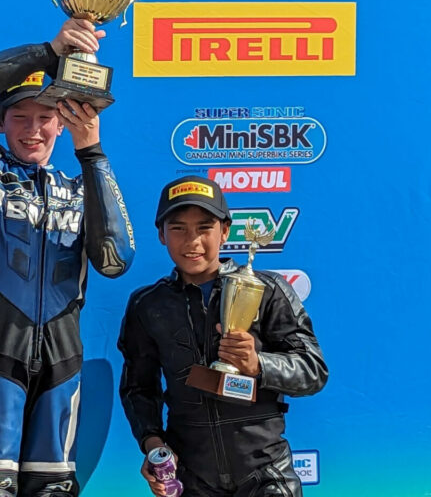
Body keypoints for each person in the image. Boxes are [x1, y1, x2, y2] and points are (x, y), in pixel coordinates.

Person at [0, 18, 136, 497]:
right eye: (19, 117)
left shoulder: (78, 186)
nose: (33, 129)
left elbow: (114, 259)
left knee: (54, 491)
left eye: (46, 117)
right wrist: (50, 52)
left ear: (62, 124)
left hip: (61, 363)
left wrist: (92, 152)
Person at [118, 176, 328, 497]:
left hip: (266, 475)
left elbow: (312, 371)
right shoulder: (147, 305)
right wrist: (153, 444)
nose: (193, 241)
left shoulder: (266, 291)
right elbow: (138, 388)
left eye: (204, 227)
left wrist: (258, 364)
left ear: (225, 231)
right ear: (161, 234)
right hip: (192, 480)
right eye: (178, 228)